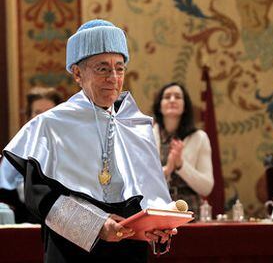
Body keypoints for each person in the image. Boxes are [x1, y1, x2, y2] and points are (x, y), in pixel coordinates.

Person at [1, 19, 175, 262]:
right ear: (77, 73)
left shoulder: (136, 125)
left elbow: (143, 196)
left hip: (129, 252)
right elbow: (39, 197)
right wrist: (97, 226)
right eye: (102, 68)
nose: (113, 78)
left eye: (120, 68)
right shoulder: (50, 125)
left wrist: (156, 226)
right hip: (73, 251)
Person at [0, 86, 63, 223]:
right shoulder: (17, 149)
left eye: (49, 112)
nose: (43, 118)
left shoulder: (70, 148)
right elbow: (5, 192)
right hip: (24, 225)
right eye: (37, 112)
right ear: (29, 117)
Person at [152, 82, 214, 216]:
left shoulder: (199, 138)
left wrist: (181, 166)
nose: (172, 100)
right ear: (159, 106)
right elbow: (141, 182)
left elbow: (206, 187)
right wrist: (167, 170)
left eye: (178, 97)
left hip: (190, 210)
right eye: (167, 97)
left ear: (185, 106)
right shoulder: (147, 135)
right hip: (157, 208)